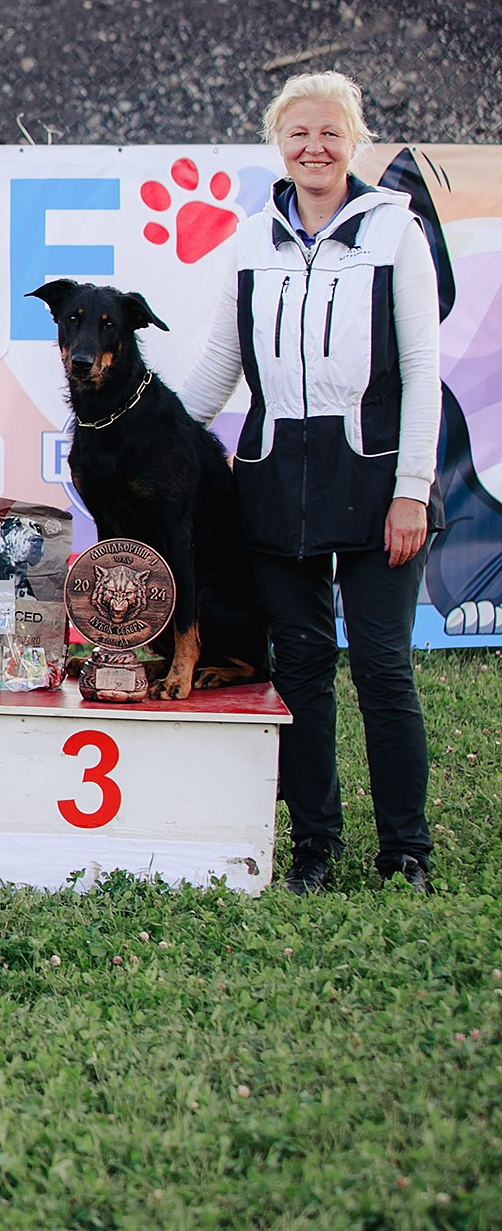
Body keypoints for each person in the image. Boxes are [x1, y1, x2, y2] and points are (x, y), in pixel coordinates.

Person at [177, 72, 441, 895]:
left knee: (384, 669)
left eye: (330, 132)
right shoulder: (252, 239)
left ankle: (405, 852)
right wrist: (156, 446)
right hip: (272, 482)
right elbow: (217, 371)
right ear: (277, 145)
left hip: (374, 482)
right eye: (298, 135)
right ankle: (314, 849)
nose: (314, 147)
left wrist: (413, 488)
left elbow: (426, 371)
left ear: (354, 140)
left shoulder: (395, 231)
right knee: (299, 669)